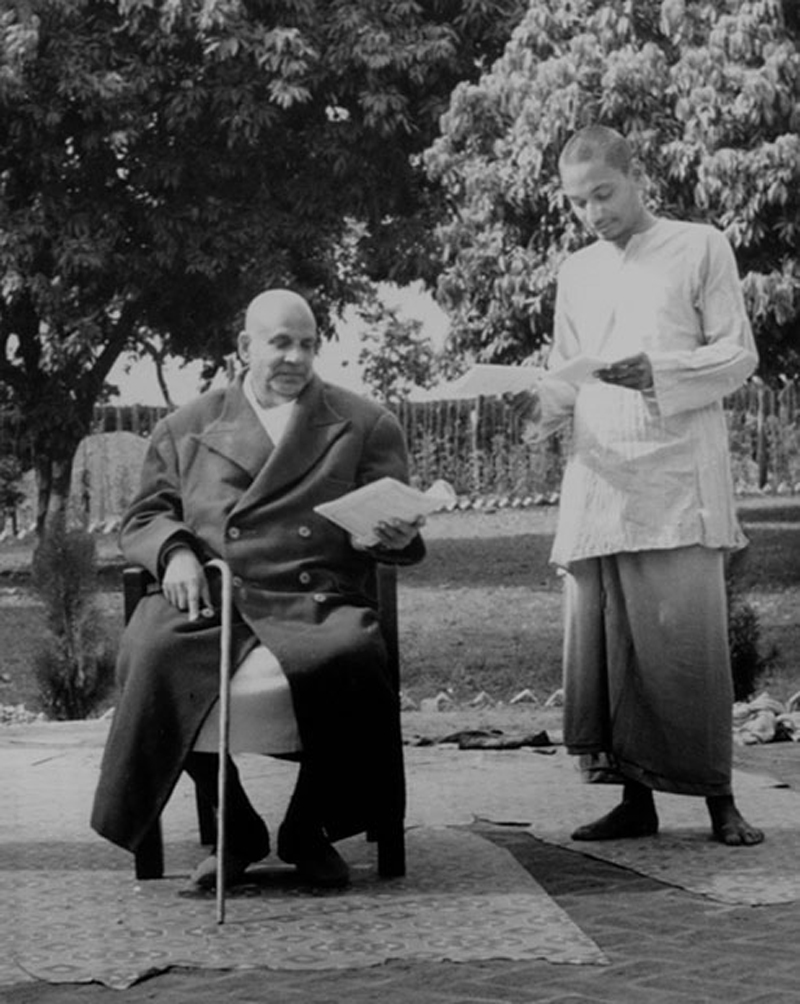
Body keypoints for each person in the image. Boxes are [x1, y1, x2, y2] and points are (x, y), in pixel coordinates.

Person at [91, 289, 425, 889]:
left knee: (351, 656)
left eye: (307, 345)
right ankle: (235, 824)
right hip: (214, 594)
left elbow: (389, 524)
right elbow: (145, 516)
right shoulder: (186, 427)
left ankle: (307, 829)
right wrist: (175, 552)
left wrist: (392, 534)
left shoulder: (365, 423)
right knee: (152, 653)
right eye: (281, 343)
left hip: (314, 599)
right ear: (246, 346)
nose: (295, 357)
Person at [515, 124, 764, 846]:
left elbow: (737, 354)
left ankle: (719, 799)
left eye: (605, 194)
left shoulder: (700, 245)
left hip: (677, 472)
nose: (593, 212)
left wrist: (659, 371)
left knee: (686, 644)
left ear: (637, 178)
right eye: (578, 202)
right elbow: (567, 371)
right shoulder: (576, 271)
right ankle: (634, 801)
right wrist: (537, 406)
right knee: (612, 643)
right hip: (601, 476)